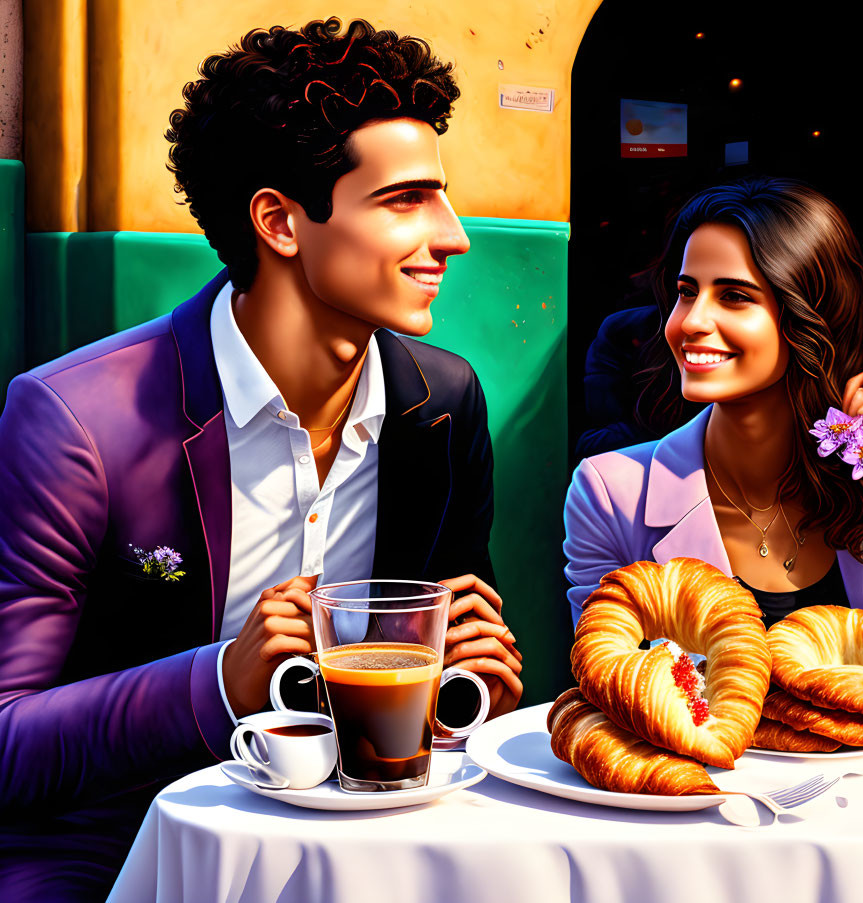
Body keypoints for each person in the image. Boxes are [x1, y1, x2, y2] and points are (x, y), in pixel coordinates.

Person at [0, 18, 521, 900]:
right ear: (280, 221)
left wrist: (467, 679)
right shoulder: (77, 418)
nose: (454, 235)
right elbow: (9, 742)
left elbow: (438, 672)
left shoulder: (442, 404)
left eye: (441, 197)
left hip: (374, 831)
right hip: (123, 837)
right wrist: (217, 679)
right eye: (404, 200)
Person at [563, 177, 863, 730]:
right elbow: (618, 696)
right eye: (686, 291)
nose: (691, 321)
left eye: (735, 296)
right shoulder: (610, 493)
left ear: (809, 317)